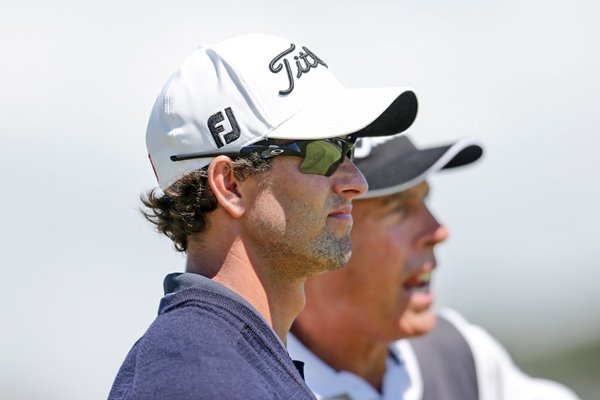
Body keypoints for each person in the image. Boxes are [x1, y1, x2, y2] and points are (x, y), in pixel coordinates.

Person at [108, 34, 419, 400]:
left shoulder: (228, 358)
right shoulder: (200, 380)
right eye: (322, 151)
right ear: (231, 185)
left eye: (348, 148)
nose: (357, 182)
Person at [288, 134, 581, 400]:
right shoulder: (252, 381)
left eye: (425, 198)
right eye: (398, 208)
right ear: (318, 232)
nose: (438, 231)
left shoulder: (461, 356)